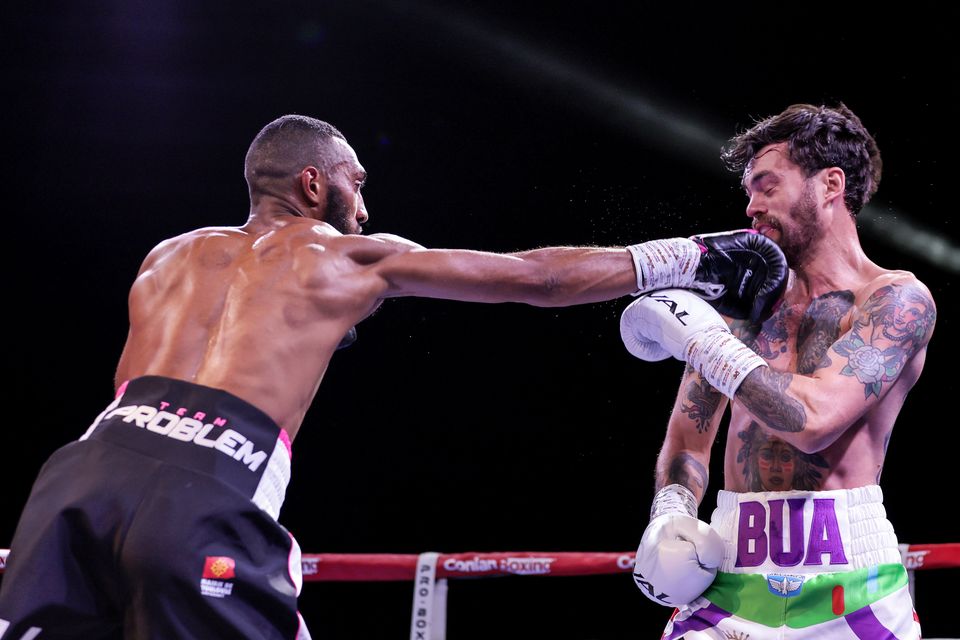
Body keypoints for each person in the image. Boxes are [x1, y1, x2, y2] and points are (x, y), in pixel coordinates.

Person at [0, 115, 786, 639]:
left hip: (80, 477)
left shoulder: (165, 256)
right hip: (206, 489)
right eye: (357, 183)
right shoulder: (345, 257)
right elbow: (530, 278)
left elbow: (136, 394)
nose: (365, 208)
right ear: (315, 184)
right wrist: (695, 254)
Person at [620, 103, 936, 639]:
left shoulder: (895, 300)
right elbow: (689, 443)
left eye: (767, 186)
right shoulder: (739, 311)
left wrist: (701, 342)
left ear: (830, 184)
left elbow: (815, 421)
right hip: (730, 579)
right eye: (749, 191)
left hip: (850, 585)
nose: (751, 207)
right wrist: (671, 512)